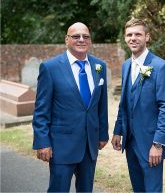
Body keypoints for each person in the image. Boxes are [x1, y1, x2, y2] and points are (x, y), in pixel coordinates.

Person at [32, 22, 109, 192]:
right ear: (67, 40)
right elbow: (41, 110)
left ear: (90, 40)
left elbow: (101, 105)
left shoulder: (99, 67)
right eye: (76, 36)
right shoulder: (50, 68)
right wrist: (42, 142)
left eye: (86, 36)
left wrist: (102, 134)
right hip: (61, 146)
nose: (81, 39)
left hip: (90, 145)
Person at [111, 18, 165, 192]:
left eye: (138, 34)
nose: (133, 38)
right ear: (125, 38)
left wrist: (158, 144)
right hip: (130, 141)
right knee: (137, 188)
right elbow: (124, 102)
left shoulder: (161, 67)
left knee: (152, 189)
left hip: (150, 144)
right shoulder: (125, 66)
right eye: (129, 34)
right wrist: (118, 130)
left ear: (147, 37)